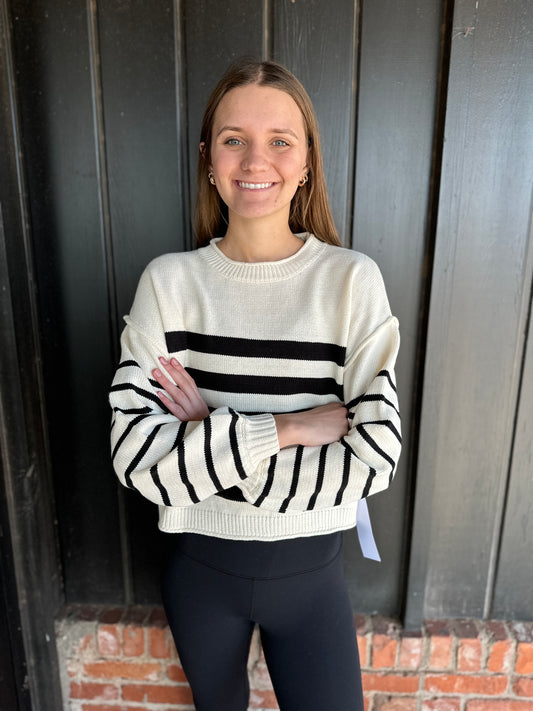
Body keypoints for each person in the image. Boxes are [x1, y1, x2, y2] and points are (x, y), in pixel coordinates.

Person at [109, 58, 401, 711]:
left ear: (305, 161)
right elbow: (135, 459)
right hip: (198, 573)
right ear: (209, 156)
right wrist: (290, 429)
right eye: (233, 138)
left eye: (279, 140)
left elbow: (374, 457)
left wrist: (206, 430)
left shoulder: (351, 283)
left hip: (313, 578)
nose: (254, 159)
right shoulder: (170, 284)